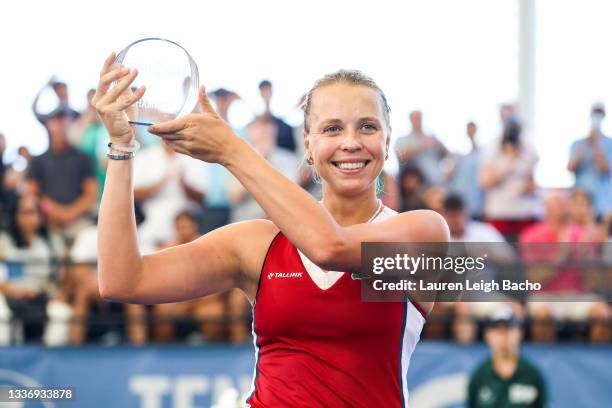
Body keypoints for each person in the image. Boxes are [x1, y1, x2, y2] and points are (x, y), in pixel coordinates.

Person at [93, 55, 448, 407]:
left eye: (368, 127)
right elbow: (122, 280)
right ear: (308, 145)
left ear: (387, 144)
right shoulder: (258, 244)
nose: (351, 142)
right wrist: (121, 147)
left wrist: (233, 150)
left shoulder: (424, 231)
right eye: (332, 128)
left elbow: (329, 246)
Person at [0, 194, 71, 346]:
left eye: (34, 212)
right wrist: (15, 292)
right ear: (16, 215)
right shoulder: (4, 242)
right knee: (1, 315)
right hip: (9, 295)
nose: (30, 217)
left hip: (43, 297)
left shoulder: (52, 243)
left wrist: (57, 293)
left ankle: (48, 361)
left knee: (61, 313)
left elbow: (62, 278)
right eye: (25, 212)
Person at [26, 107, 98, 241]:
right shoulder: (38, 161)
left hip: (80, 224)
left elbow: (91, 194)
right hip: (49, 225)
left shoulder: (84, 158)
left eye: (66, 121)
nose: (62, 125)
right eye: (57, 121)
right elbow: (33, 193)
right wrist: (53, 211)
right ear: (48, 125)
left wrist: (70, 213)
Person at [467, 306, 548, 408]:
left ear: (520, 333)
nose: (503, 335)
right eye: (497, 330)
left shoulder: (532, 375)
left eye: (508, 329)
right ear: (487, 335)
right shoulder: (479, 377)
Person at [479, 117, 538, 242]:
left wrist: (529, 187)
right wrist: (510, 162)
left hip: (523, 213)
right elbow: (485, 182)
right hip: (499, 213)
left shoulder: (528, 149)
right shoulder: (491, 149)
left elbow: (532, 182)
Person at [567, 103, 612, 218]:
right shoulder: (578, 143)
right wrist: (586, 143)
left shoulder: (609, 144)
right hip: (580, 200)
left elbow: (606, 169)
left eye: (599, 114)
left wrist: (597, 144)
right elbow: (570, 167)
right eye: (594, 114)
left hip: (601, 203)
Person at [394, 110, 448, 185]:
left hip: (437, 182)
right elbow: (401, 156)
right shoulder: (402, 140)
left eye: (420, 118)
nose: (418, 121)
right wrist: (421, 146)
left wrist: (438, 144)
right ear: (411, 120)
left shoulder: (431, 138)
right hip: (416, 185)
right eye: (416, 118)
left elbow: (446, 154)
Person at [449, 121, 484, 219]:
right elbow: (449, 175)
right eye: (469, 129)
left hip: (476, 202)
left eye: (472, 129)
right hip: (459, 197)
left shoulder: (482, 153)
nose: (470, 131)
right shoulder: (458, 154)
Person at [258, 79, 296, 153]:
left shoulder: (284, 126)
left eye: (267, 91)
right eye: (264, 91)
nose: (266, 94)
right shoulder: (254, 124)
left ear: (271, 92)